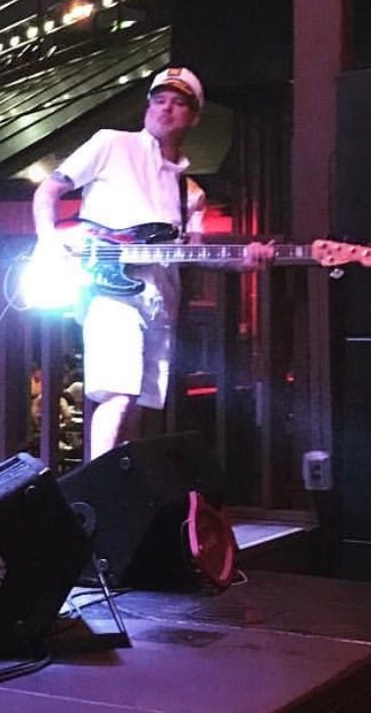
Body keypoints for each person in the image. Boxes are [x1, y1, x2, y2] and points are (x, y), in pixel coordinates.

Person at [32, 66, 271, 460]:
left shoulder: (190, 192)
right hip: (110, 293)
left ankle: (120, 485)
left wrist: (242, 262)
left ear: (194, 117)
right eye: (159, 100)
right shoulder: (111, 144)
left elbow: (193, 254)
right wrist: (48, 240)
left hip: (159, 300)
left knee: (137, 406)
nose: (165, 108)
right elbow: (49, 190)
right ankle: (97, 485)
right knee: (119, 393)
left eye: (177, 103)